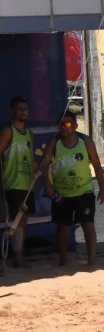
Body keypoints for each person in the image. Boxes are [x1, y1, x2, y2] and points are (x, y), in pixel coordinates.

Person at [38, 112, 104, 267]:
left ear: (75, 125)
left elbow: (96, 165)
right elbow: (43, 165)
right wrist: (47, 184)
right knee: (62, 227)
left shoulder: (85, 141)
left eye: (67, 124)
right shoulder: (54, 142)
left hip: (84, 190)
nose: (64, 127)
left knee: (88, 224)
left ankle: (92, 262)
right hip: (62, 193)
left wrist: (103, 188)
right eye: (61, 124)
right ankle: (63, 261)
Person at [1, 96, 34, 269]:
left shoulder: (29, 133)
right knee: (16, 220)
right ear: (13, 110)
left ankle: (20, 254)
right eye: (20, 109)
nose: (23, 112)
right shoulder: (8, 131)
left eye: (25, 109)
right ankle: (17, 257)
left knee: (24, 219)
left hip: (27, 183)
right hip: (12, 182)